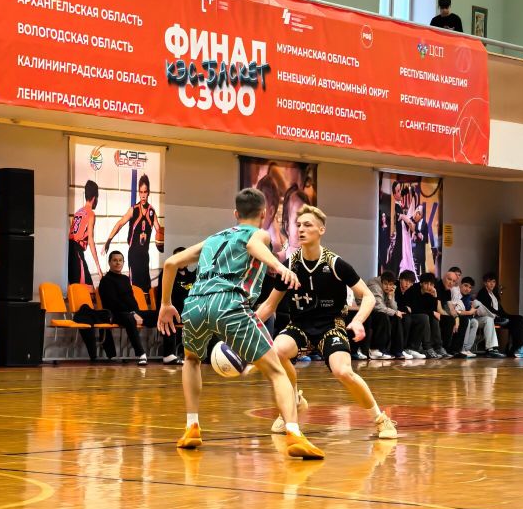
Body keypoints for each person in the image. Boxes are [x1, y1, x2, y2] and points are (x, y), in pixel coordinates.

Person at [158, 188, 324, 459]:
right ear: (264, 214)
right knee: (277, 372)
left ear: (235, 213)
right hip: (229, 303)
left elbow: (171, 263)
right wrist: (279, 266)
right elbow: (253, 246)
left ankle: (192, 427)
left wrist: (165, 304)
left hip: (196, 304)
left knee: (191, 360)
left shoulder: (213, 239)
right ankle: (294, 433)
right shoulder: (259, 234)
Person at [257, 205, 398, 440]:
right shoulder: (290, 266)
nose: (301, 229)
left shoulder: (335, 264)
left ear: (321, 230)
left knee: (343, 371)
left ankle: (381, 419)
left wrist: (358, 321)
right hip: (299, 326)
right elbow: (269, 306)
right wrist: (245, 326)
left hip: (331, 326)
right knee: (276, 351)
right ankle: (294, 401)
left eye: (307, 225)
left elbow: (369, 296)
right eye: (298, 225)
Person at [104, 174, 161, 292]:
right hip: (134, 254)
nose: (143, 195)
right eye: (141, 192)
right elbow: (119, 224)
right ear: (139, 193)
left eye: (145, 192)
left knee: (146, 288)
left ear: (148, 192)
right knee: (134, 288)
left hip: (145, 255)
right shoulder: (133, 210)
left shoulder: (152, 211)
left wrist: (163, 243)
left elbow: (159, 231)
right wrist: (108, 240)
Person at [98, 251, 149, 366]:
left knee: (159, 315)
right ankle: (141, 354)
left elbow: (131, 299)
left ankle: (169, 354)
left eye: (120, 260)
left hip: (131, 313)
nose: (118, 263)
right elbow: (113, 303)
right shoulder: (106, 280)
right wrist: (133, 313)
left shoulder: (125, 279)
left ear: (123, 262)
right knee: (129, 318)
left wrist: (136, 312)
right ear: (109, 262)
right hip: (115, 314)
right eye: (115, 260)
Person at [156, 246, 196, 363]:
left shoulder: (192, 276)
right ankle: (169, 355)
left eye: (183, 257)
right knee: (169, 316)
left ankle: (206, 354)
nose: (181, 260)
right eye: (178, 257)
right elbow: (162, 295)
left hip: (190, 311)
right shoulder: (167, 273)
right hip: (173, 309)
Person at [477, 273, 523, 357]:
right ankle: (517, 348)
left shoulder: (494, 293)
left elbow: (501, 310)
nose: (492, 284)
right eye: (489, 282)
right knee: (518, 323)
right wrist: (501, 316)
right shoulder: (483, 292)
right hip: (492, 317)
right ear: (485, 283)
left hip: (500, 316)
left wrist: (506, 316)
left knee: (521, 321)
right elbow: (487, 308)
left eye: (494, 282)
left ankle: (518, 347)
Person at [401, 272, 449, 359]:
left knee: (434, 318)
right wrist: (431, 313)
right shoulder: (413, 290)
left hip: (421, 315)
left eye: (431, 284)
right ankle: (427, 348)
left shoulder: (431, 292)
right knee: (425, 317)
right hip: (409, 314)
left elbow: (432, 309)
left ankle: (438, 347)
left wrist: (435, 297)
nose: (428, 286)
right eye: (426, 283)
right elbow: (413, 309)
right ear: (421, 283)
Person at [68, 180, 103, 287]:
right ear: (94, 198)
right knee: (88, 289)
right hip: (76, 252)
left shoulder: (77, 213)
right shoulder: (90, 214)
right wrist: (98, 268)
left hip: (69, 250)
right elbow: (91, 240)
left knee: (75, 289)